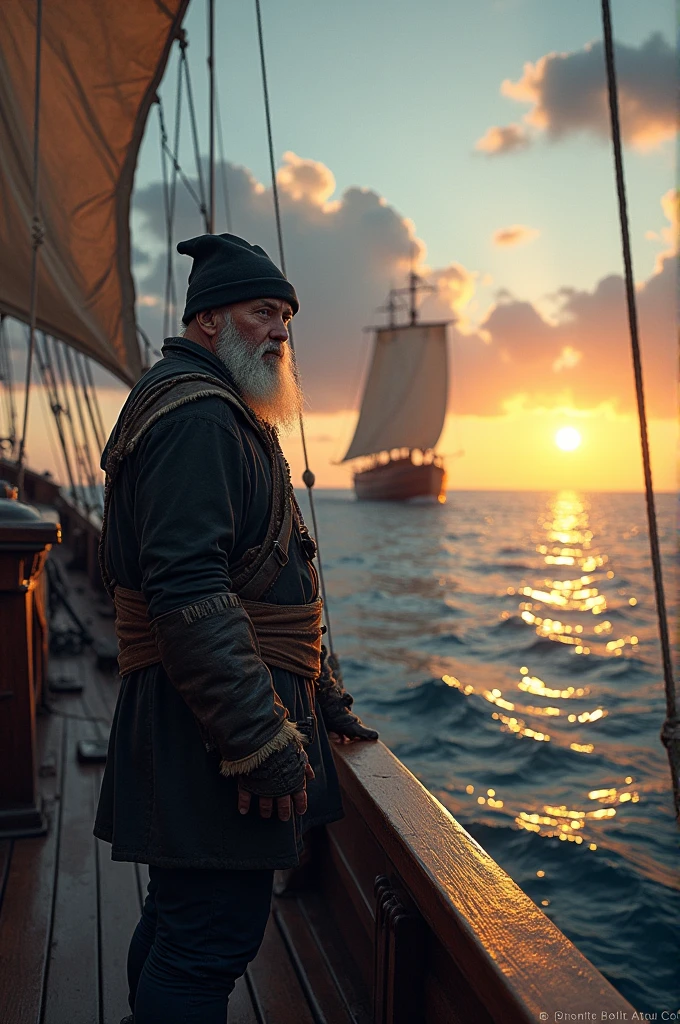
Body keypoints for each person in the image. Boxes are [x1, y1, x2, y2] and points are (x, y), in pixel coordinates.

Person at [93, 233, 378, 1024]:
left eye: (287, 314)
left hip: (200, 721)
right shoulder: (201, 420)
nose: (282, 330)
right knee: (208, 939)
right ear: (210, 320)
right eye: (264, 312)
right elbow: (189, 589)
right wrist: (260, 741)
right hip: (212, 733)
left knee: (183, 920)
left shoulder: (211, 408)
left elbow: (277, 576)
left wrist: (321, 693)